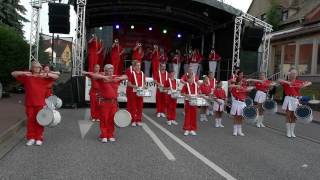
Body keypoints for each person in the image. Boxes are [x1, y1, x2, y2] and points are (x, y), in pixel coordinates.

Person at [11, 61, 59, 146]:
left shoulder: (44, 77)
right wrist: (24, 72)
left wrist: (47, 74)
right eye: (35, 67)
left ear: (40, 68)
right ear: (32, 68)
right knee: (30, 121)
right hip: (29, 103)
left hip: (40, 103)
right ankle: (31, 138)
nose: (36, 68)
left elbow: (56, 76)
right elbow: (13, 73)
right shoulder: (27, 77)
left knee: (40, 121)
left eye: (38, 67)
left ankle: (39, 137)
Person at [83, 64, 127, 143]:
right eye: (109, 71)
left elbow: (126, 76)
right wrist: (104, 77)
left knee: (111, 119)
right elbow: (93, 76)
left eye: (111, 71)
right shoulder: (101, 78)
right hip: (104, 103)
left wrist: (119, 78)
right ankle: (104, 135)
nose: (110, 72)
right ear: (105, 71)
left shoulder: (115, 77)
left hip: (113, 103)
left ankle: (110, 135)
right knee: (104, 119)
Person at [278, 69, 311, 138]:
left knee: (294, 116)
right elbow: (279, 80)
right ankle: (288, 131)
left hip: (296, 100)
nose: (293, 75)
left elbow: (309, 82)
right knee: (288, 115)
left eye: (294, 73)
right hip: (288, 99)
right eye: (292, 73)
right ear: (289, 74)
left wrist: (304, 85)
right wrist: (288, 82)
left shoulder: (298, 82)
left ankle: (292, 131)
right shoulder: (286, 82)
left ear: (296, 75)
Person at [127, 62, 146, 126]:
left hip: (140, 92)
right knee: (133, 107)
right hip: (134, 92)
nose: (138, 66)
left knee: (140, 107)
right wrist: (134, 86)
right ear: (134, 67)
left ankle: (138, 120)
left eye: (139, 65)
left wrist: (144, 86)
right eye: (137, 65)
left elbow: (144, 83)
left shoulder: (142, 73)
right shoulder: (132, 73)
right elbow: (128, 84)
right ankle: (133, 120)